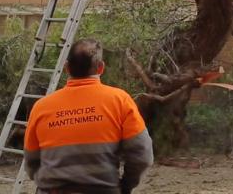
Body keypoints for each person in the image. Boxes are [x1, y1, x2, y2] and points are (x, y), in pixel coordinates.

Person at [24, 39, 153, 194]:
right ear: (101, 68)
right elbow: (142, 156)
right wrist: (125, 186)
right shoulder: (120, 101)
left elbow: (31, 162)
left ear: (66, 68)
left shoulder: (41, 107)